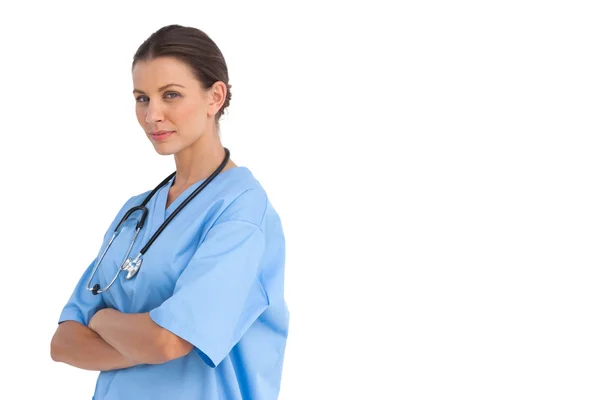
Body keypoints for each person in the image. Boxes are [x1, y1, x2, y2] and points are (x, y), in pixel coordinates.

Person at [50, 24, 289, 400]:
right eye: (142, 98)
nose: (152, 115)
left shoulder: (241, 212)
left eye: (171, 95)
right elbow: (63, 342)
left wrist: (101, 319)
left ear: (215, 97)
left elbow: (166, 342)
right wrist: (137, 341)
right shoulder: (136, 212)